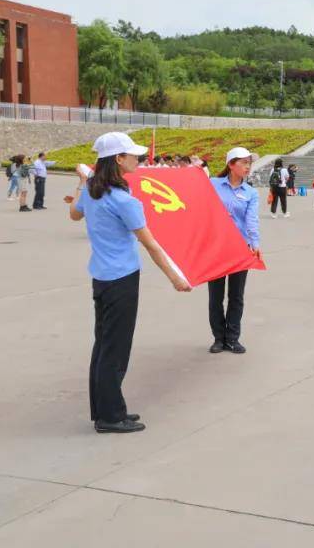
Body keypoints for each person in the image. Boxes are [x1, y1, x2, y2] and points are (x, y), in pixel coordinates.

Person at [69, 132, 192, 433]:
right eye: (132, 155)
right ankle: (110, 417)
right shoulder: (124, 200)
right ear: (118, 160)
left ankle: (105, 409)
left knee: (104, 344)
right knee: (115, 349)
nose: (138, 159)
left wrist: (82, 182)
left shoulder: (93, 192)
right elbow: (151, 245)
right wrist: (176, 277)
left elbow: (73, 214)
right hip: (121, 280)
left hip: (101, 277)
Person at [208, 147, 262, 354]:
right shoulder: (212, 185)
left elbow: (251, 219)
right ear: (231, 164)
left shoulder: (250, 193)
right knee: (216, 295)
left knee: (236, 296)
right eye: (244, 162)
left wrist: (255, 244)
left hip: (240, 248)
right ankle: (218, 338)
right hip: (216, 248)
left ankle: (232, 338)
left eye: (250, 162)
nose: (248, 166)